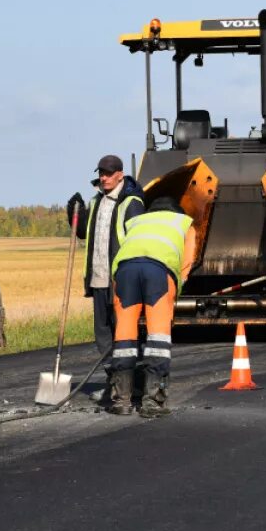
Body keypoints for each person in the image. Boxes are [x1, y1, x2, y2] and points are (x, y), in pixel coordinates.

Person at [108, 195, 197, 417]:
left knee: (124, 336)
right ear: (175, 210)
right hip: (157, 273)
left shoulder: (137, 222)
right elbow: (187, 262)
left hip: (124, 272)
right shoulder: (183, 222)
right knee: (158, 337)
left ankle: (121, 400)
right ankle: (153, 401)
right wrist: (178, 287)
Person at [66, 155, 145, 404]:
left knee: (125, 335)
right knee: (103, 337)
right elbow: (82, 233)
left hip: (121, 281)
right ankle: (115, 384)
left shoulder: (131, 202)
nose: (104, 177)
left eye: (109, 173)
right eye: (101, 173)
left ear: (120, 174)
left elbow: (138, 240)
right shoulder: (96, 201)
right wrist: (74, 212)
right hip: (98, 280)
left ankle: (131, 386)